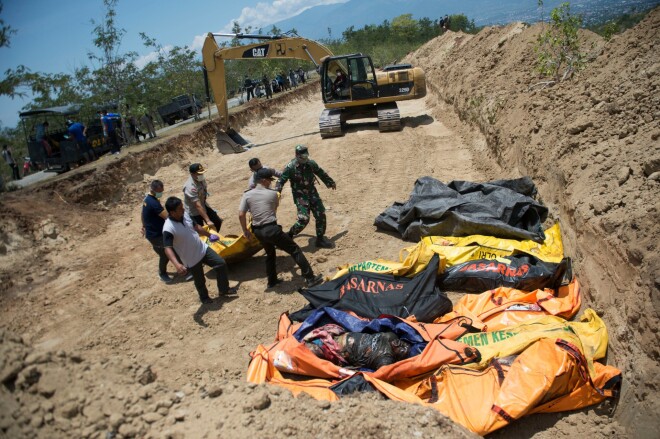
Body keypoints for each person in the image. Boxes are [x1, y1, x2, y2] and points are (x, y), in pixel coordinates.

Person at [239, 168, 323, 289]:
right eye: (269, 180)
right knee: (295, 250)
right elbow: (273, 208)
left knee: (270, 254)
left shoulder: (246, 195)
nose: (270, 182)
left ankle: (272, 281)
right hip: (271, 229)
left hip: (257, 231)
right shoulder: (273, 194)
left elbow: (241, 214)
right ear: (263, 180)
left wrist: (245, 231)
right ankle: (310, 278)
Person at [163, 197, 238, 304]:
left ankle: (224, 290)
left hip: (202, 248)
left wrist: (209, 235)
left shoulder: (185, 215)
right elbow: (167, 248)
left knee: (220, 263)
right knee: (200, 280)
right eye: (180, 208)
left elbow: (197, 227)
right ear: (172, 212)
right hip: (191, 258)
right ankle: (204, 298)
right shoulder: (168, 228)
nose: (183, 209)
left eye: (182, 207)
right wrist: (177, 264)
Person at [276, 145, 336, 248]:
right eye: (302, 158)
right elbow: (281, 180)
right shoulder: (290, 167)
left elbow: (320, 172)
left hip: (312, 193)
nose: (305, 160)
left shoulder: (310, 163)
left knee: (321, 214)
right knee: (304, 219)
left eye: (306, 157)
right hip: (300, 196)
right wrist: (277, 192)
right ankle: (289, 235)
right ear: (296, 155)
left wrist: (330, 182)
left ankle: (320, 239)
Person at [142, 180, 177, 283]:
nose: (161, 193)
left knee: (173, 248)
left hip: (156, 231)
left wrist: (143, 225)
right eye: (159, 191)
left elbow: (142, 214)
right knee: (165, 254)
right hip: (155, 234)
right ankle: (162, 273)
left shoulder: (148, 199)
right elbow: (167, 216)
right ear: (153, 190)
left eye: (162, 190)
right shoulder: (153, 203)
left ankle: (184, 265)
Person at [183, 163, 223, 231]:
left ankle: (213, 237)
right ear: (192, 174)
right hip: (194, 211)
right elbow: (197, 206)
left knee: (217, 222)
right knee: (200, 230)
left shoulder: (200, 179)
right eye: (199, 174)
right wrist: (207, 220)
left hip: (203, 205)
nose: (201, 175)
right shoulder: (190, 187)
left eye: (202, 173)